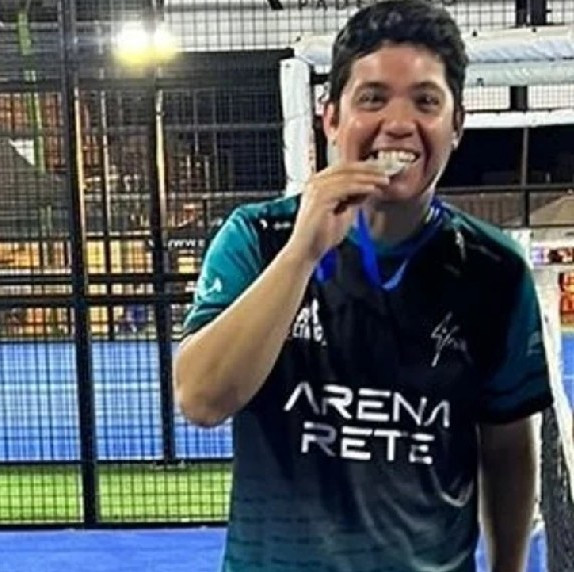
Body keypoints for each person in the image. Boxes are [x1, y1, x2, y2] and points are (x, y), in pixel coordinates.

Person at [174, 1, 553, 570]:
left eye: (426, 101)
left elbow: (506, 445)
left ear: (456, 125)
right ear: (331, 118)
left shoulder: (494, 271)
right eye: (373, 98)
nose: (398, 123)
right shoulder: (258, 237)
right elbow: (201, 400)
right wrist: (303, 253)